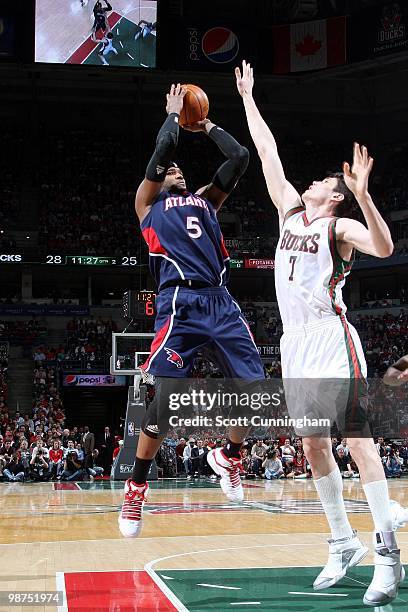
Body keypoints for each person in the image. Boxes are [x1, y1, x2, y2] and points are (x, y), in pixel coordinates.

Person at [236, 59, 404, 605]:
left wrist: (363, 192)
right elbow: (267, 151)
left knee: (357, 439)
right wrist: (248, 98)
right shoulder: (288, 213)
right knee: (312, 443)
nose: (308, 182)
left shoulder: (340, 225)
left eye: (321, 182)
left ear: (332, 195)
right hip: (294, 343)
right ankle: (341, 541)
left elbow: (384, 248)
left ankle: (388, 554)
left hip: (333, 339)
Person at [118, 83, 264, 538]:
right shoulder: (146, 206)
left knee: (256, 389)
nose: (176, 169)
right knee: (162, 401)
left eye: (179, 168)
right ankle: (136, 487)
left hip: (219, 302)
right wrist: (172, 115)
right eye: (169, 170)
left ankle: (230, 458)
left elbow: (239, 157)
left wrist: (206, 126)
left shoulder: (207, 198)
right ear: (158, 179)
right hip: (178, 304)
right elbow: (163, 147)